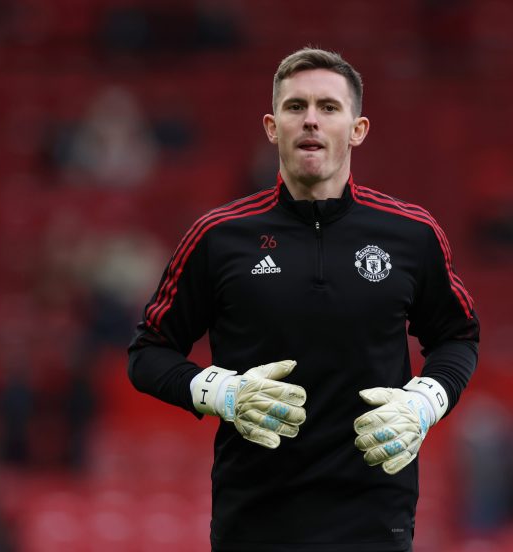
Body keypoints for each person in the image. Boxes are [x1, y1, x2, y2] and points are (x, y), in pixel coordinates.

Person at [128, 47, 480, 552]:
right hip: (254, 524)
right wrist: (223, 393)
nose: (311, 119)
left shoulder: (412, 233)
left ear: (357, 129)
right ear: (272, 128)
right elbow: (148, 353)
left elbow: (458, 337)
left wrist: (425, 402)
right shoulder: (217, 236)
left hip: (374, 524)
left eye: (328, 107)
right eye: (296, 107)